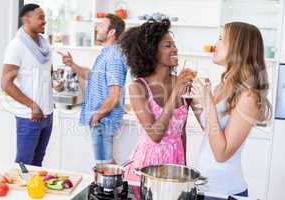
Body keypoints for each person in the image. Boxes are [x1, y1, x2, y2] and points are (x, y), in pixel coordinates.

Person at [190, 22, 272, 196]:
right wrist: (196, 103)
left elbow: (221, 153)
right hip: (201, 187)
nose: (215, 44)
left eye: (221, 39)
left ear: (238, 47)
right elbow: (212, 133)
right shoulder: (221, 87)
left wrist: (209, 104)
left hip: (223, 192)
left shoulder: (249, 96)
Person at [120, 19, 195, 184]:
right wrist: (175, 94)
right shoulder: (138, 88)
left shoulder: (182, 83)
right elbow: (155, 135)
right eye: (168, 46)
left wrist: (185, 167)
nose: (175, 49)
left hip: (175, 162)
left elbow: (181, 132)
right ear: (151, 51)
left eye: (174, 45)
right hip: (148, 166)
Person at [58, 14, 127, 165]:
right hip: (102, 118)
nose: (97, 28)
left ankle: (113, 188)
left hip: (103, 120)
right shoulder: (106, 54)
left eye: (101, 25)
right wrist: (72, 64)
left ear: (111, 32)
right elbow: (91, 76)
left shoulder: (113, 57)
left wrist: (97, 116)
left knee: (104, 166)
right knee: (106, 163)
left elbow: (114, 96)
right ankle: (117, 187)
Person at [1, 4, 55, 166]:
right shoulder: (17, 46)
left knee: (38, 161)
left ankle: (34, 191)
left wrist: (55, 86)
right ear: (26, 19)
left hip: (47, 114)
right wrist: (32, 105)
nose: (44, 21)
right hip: (29, 116)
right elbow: (5, 83)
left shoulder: (44, 46)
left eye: (44, 18)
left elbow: (46, 76)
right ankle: (22, 191)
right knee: (24, 164)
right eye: (40, 17)